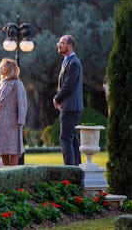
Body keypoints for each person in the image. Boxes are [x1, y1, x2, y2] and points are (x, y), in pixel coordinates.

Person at [53, 35, 83, 165]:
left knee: (65, 139)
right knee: (73, 139)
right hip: (71, 106)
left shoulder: (74, 62)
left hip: (70, 106)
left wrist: (56, 98)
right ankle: (77, 171)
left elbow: (68, 85)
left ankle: (69, 173)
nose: (59, 45)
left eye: (62, 43)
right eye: (59, 42)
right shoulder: (68, 61)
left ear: (70, 45)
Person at [0, 58, 27, 166]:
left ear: (9, 68)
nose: (0, 68)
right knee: (3, 150)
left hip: (13, 122)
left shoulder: (17, 84)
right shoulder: (0, 83)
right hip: (1, 122)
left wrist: (21, 121)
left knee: (13, 150)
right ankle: (5, 174)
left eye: (2, 66)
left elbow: (22, 103)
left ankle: (13, 173)